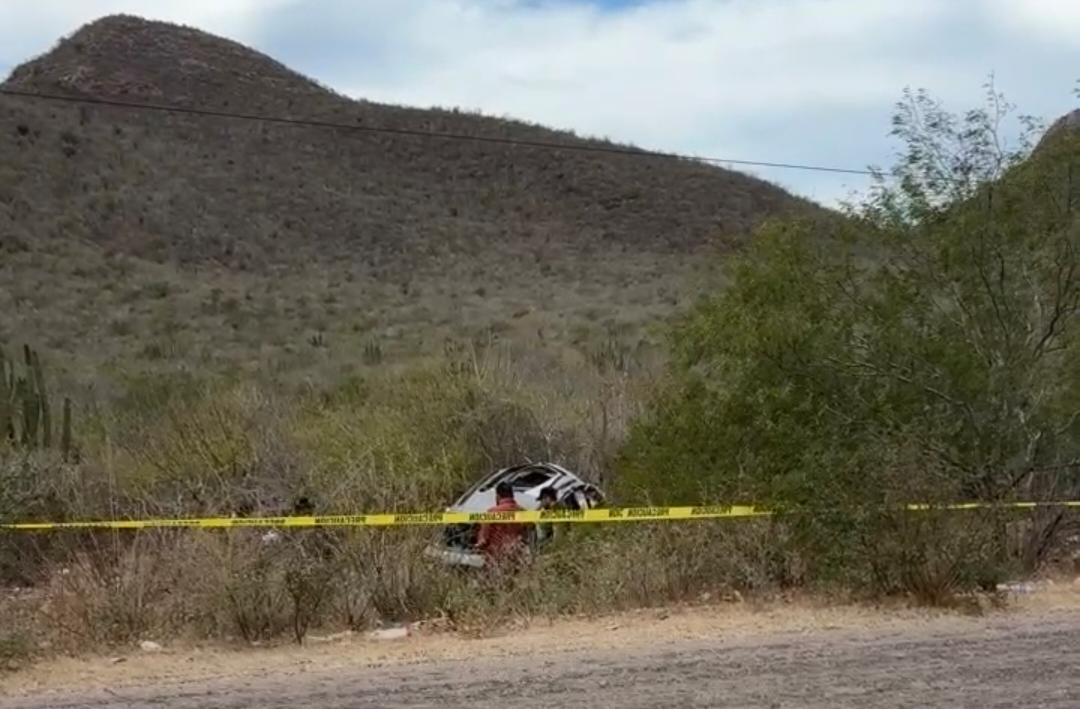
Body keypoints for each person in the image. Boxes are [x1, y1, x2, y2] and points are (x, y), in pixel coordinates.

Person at [475, 481, 527, 568]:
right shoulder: (523, 512)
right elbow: (528, 533)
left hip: (496, 556)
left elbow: (484, 539)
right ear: (512, 495)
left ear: (498, 496)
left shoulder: (492, 512)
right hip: (517, 556)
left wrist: (477, 546)